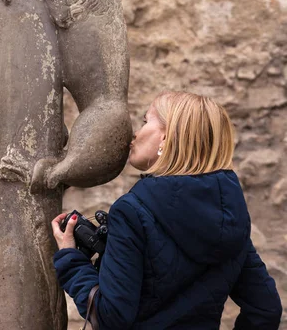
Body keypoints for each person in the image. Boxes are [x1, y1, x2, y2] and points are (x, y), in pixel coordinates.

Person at [51, 90, 282, 330]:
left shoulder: (132, 212)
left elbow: (111, 317)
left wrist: (71, 259)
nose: (136, 133)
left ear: (165, 138)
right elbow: (266, 308)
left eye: (145, 121)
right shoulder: (233, 217)